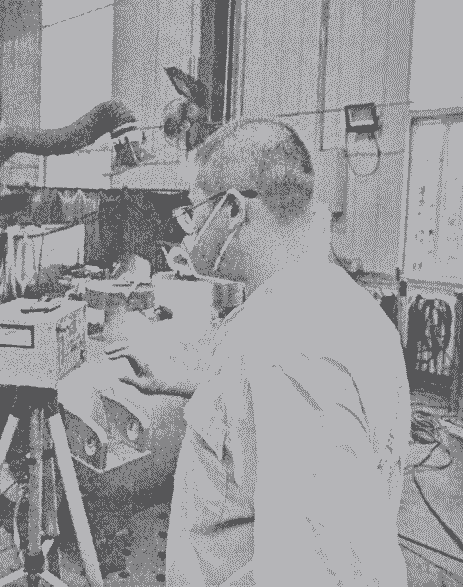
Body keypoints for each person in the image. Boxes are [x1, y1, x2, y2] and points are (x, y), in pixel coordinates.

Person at [106, 120, 411, 586]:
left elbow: (319, 568)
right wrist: (178, 381)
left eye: (192, 211)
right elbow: (260, 415)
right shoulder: (339, 305)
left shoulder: (289, 353)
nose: (188, 230)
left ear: (231, 210)